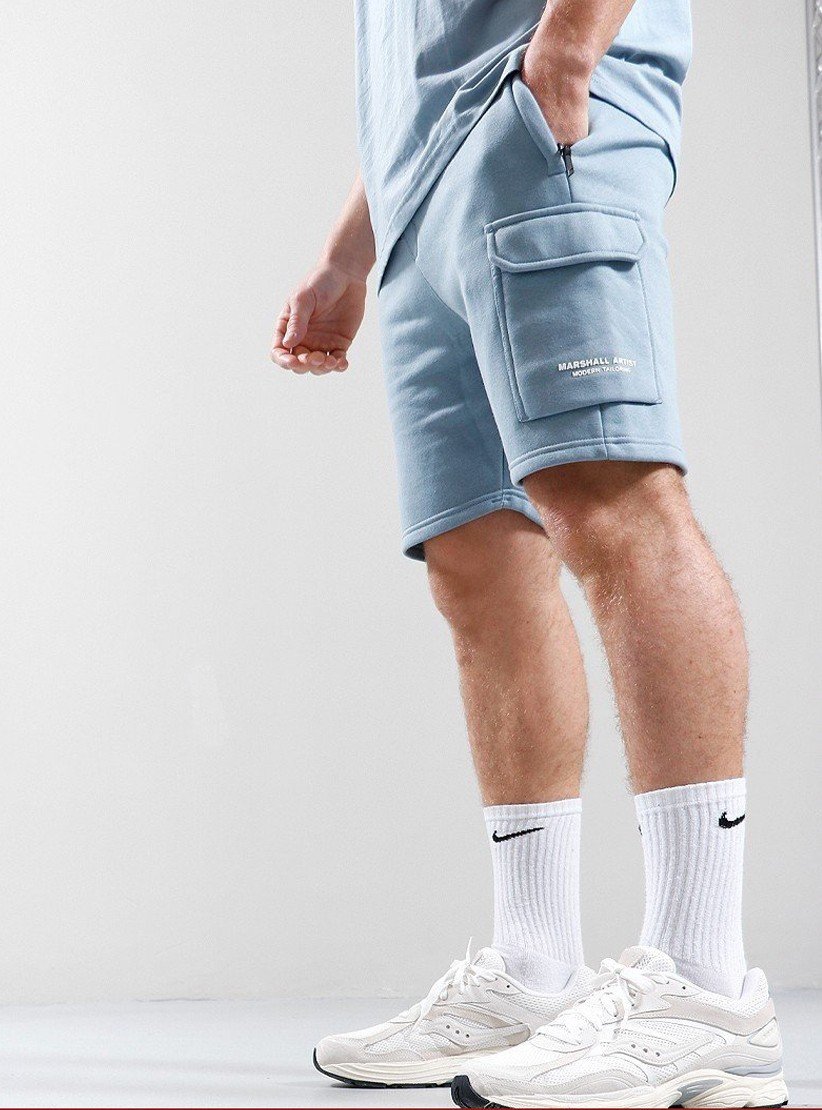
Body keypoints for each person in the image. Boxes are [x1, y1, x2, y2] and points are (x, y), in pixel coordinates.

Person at [271, 0, 789, 1105]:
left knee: (612, 498)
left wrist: (566, 50)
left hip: (538, 123)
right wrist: (348, 253)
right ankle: (534, 970)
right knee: (478, 560)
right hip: (420, 198)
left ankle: (705, 985)